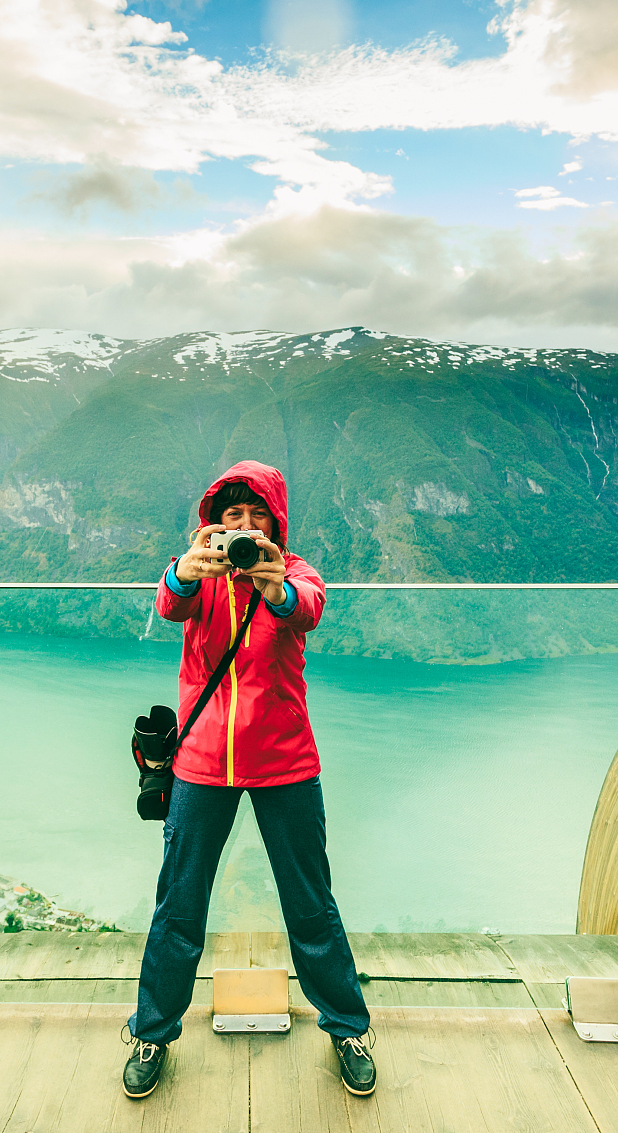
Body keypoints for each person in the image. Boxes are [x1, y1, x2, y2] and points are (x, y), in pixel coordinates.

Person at [121, 460, 376, 1100]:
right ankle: (151, 1032)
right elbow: (169, 603)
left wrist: (273, 583)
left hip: (284, 761)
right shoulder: (200, 574)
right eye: (230, 515)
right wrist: (184, 570)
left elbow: (306, 610)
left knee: (310, 904)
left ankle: (348, 1028)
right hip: (203, 764)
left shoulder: (294, 572)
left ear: (274, 523)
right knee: (179, 905)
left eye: (255, 515)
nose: (242, 526)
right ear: (213, 525)